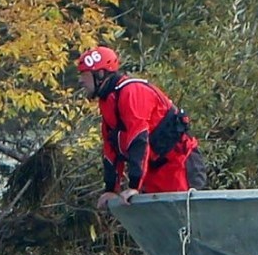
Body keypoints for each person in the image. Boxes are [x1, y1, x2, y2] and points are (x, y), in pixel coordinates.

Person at [75, 46, 207, 209]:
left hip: (179, 165)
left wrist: (134, 186)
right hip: (154, 172)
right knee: (158, 228)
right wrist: (111, 189)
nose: (81, 80)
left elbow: (138, 139)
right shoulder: (108, 101)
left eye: (84, 74)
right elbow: (110, 149)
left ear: (100, 74)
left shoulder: (131, 92)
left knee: (186, 221)